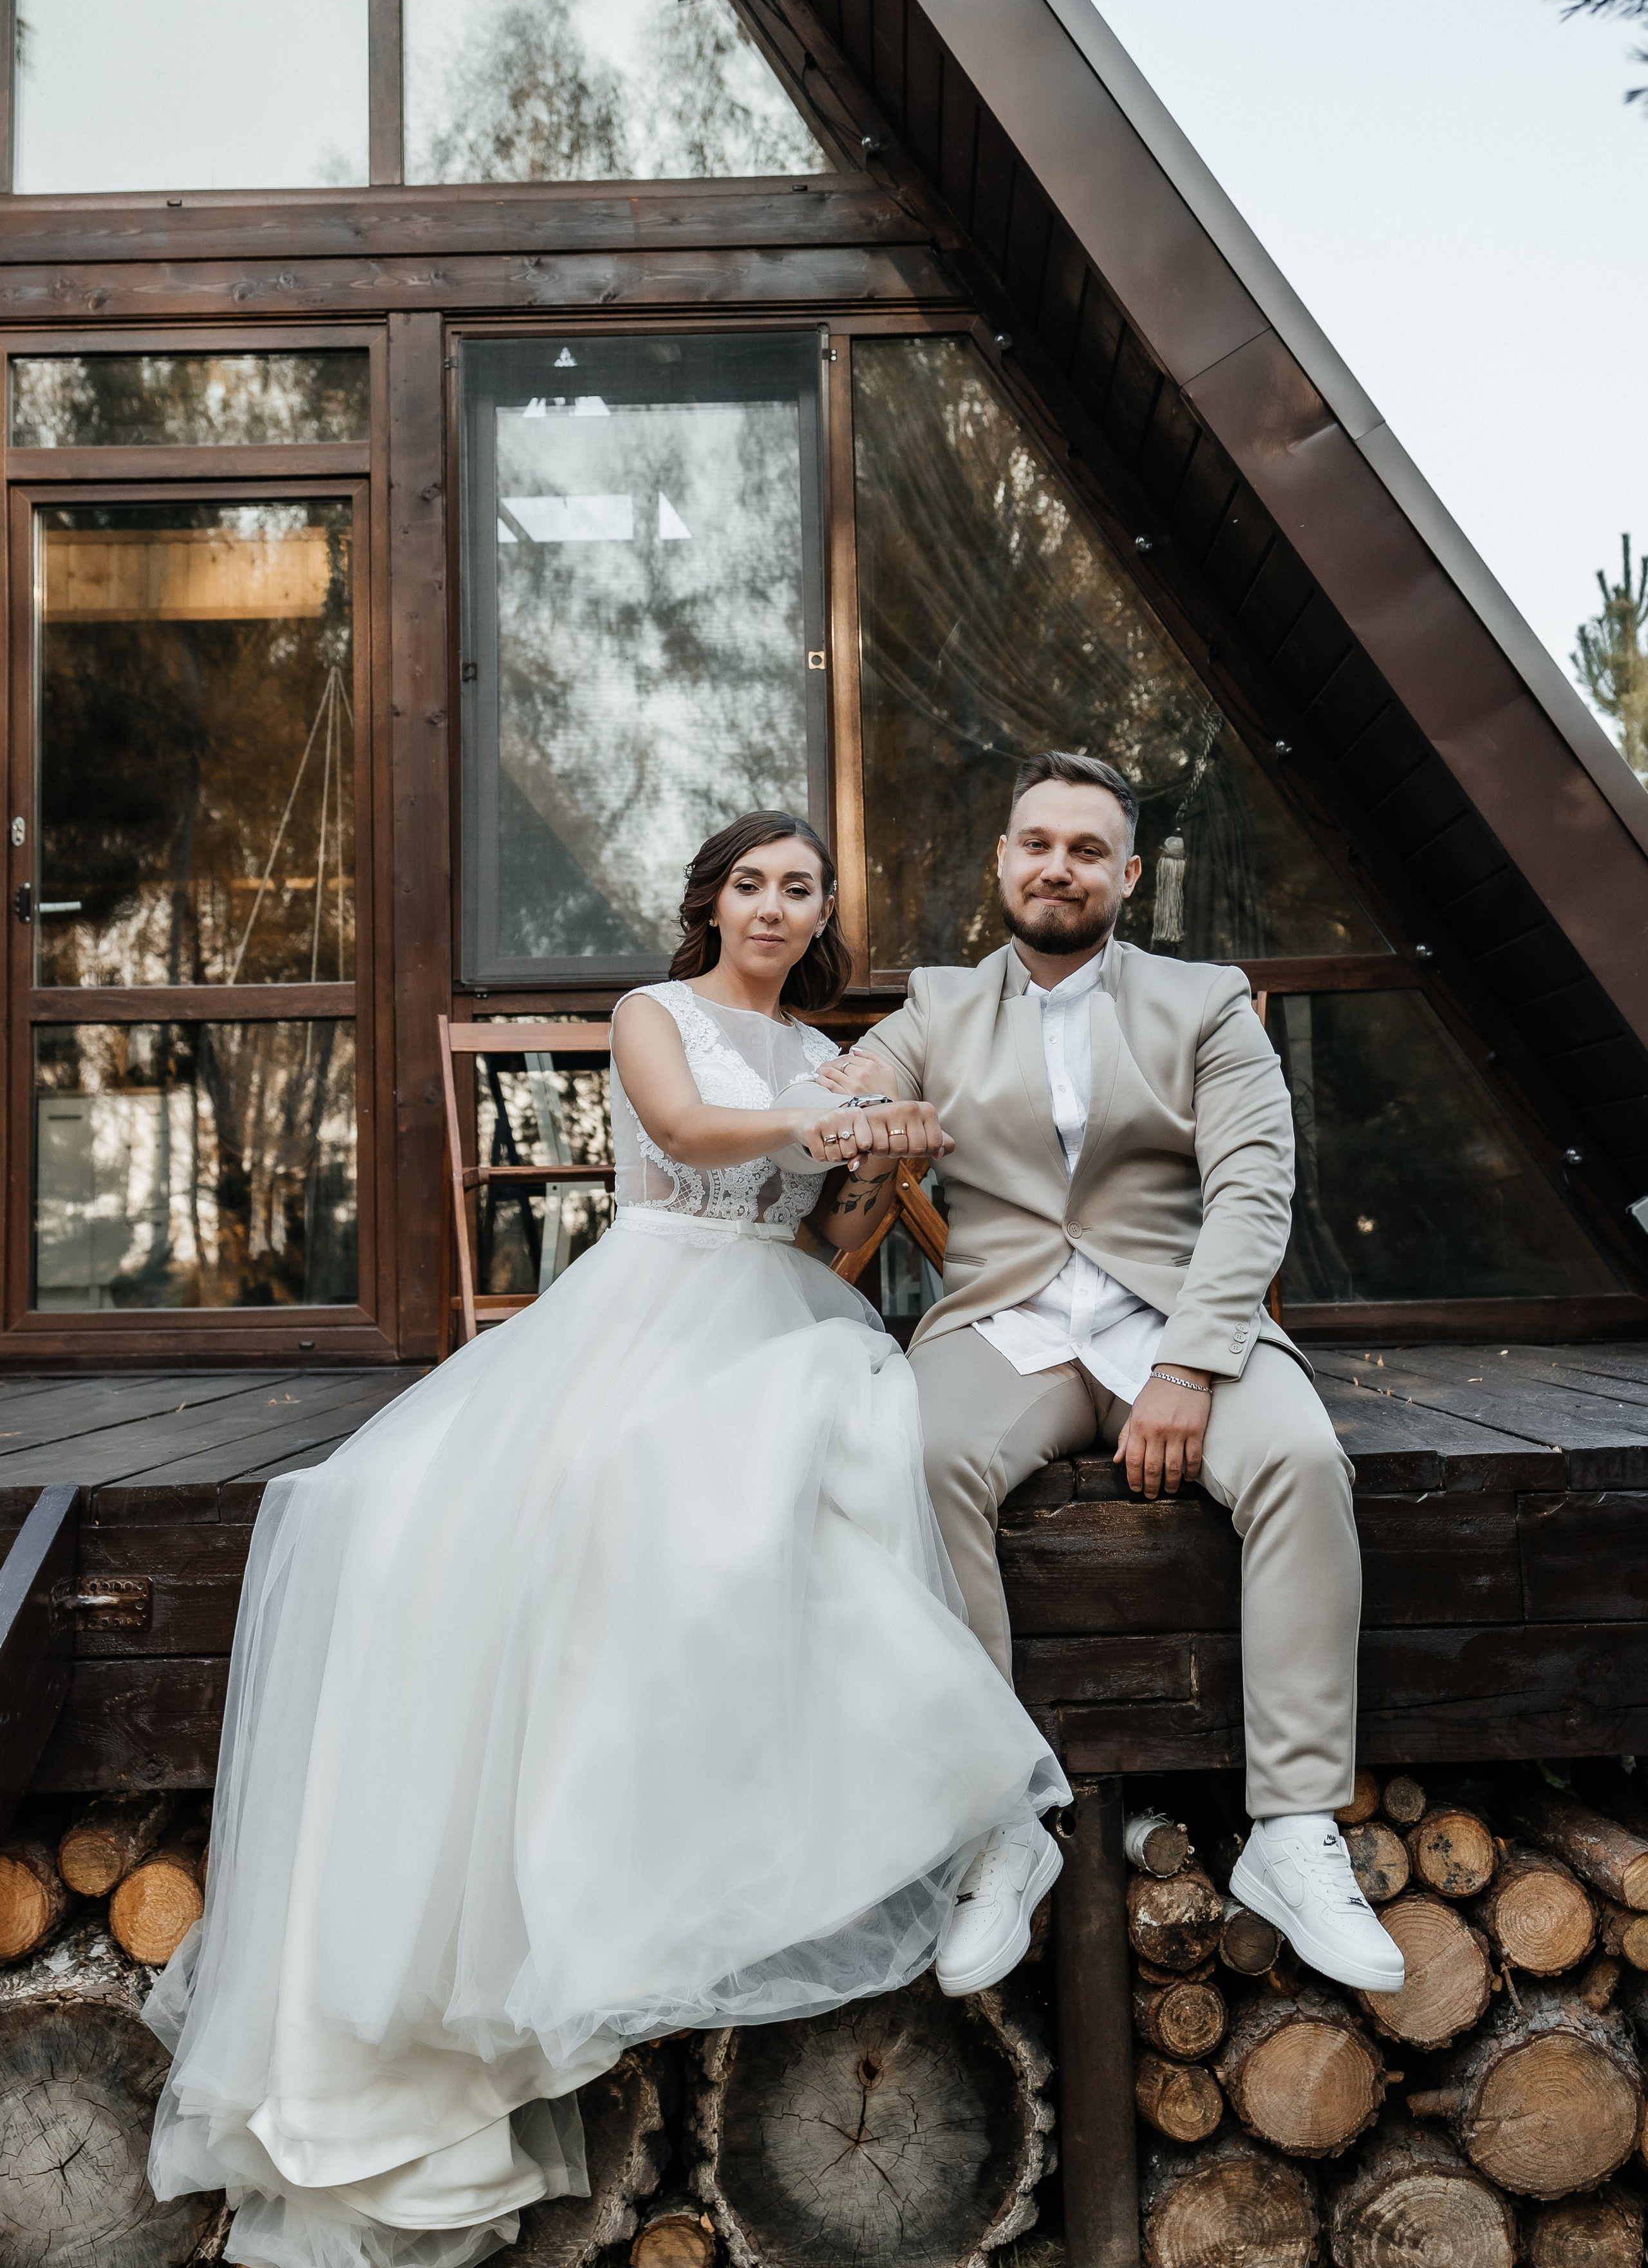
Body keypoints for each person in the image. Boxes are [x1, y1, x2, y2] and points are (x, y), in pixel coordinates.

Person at [144, 809, 1068, 2268]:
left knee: (828, 1431)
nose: (775, 907)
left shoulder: (833, 1051)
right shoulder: (658, 1016)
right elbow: (695, 1136)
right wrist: (822, 1118)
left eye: (801, 888)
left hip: (778, 1305)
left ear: (825, 910)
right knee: (416, 1513)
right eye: (751, 884)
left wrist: (874, 1169)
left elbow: (824, 1245)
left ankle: (926, 1807)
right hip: (644, 1308)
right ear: (710, 902)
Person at [804, 752, 1403, 1994]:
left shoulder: (1208, 1003)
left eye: (1087, 850)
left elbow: (1253, 1191)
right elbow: (853, 1094)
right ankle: (998, 1825)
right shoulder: (938, 1004)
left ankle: (1292, 1831)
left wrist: (1192, 1362)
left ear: (1127, 875)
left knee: (1297, 1457)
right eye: (1037, 844)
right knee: (914, 1458)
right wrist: (850, 1101)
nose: (1057, 868)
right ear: (1003, 865)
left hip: (1174, 1322)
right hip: (1007, 1327)